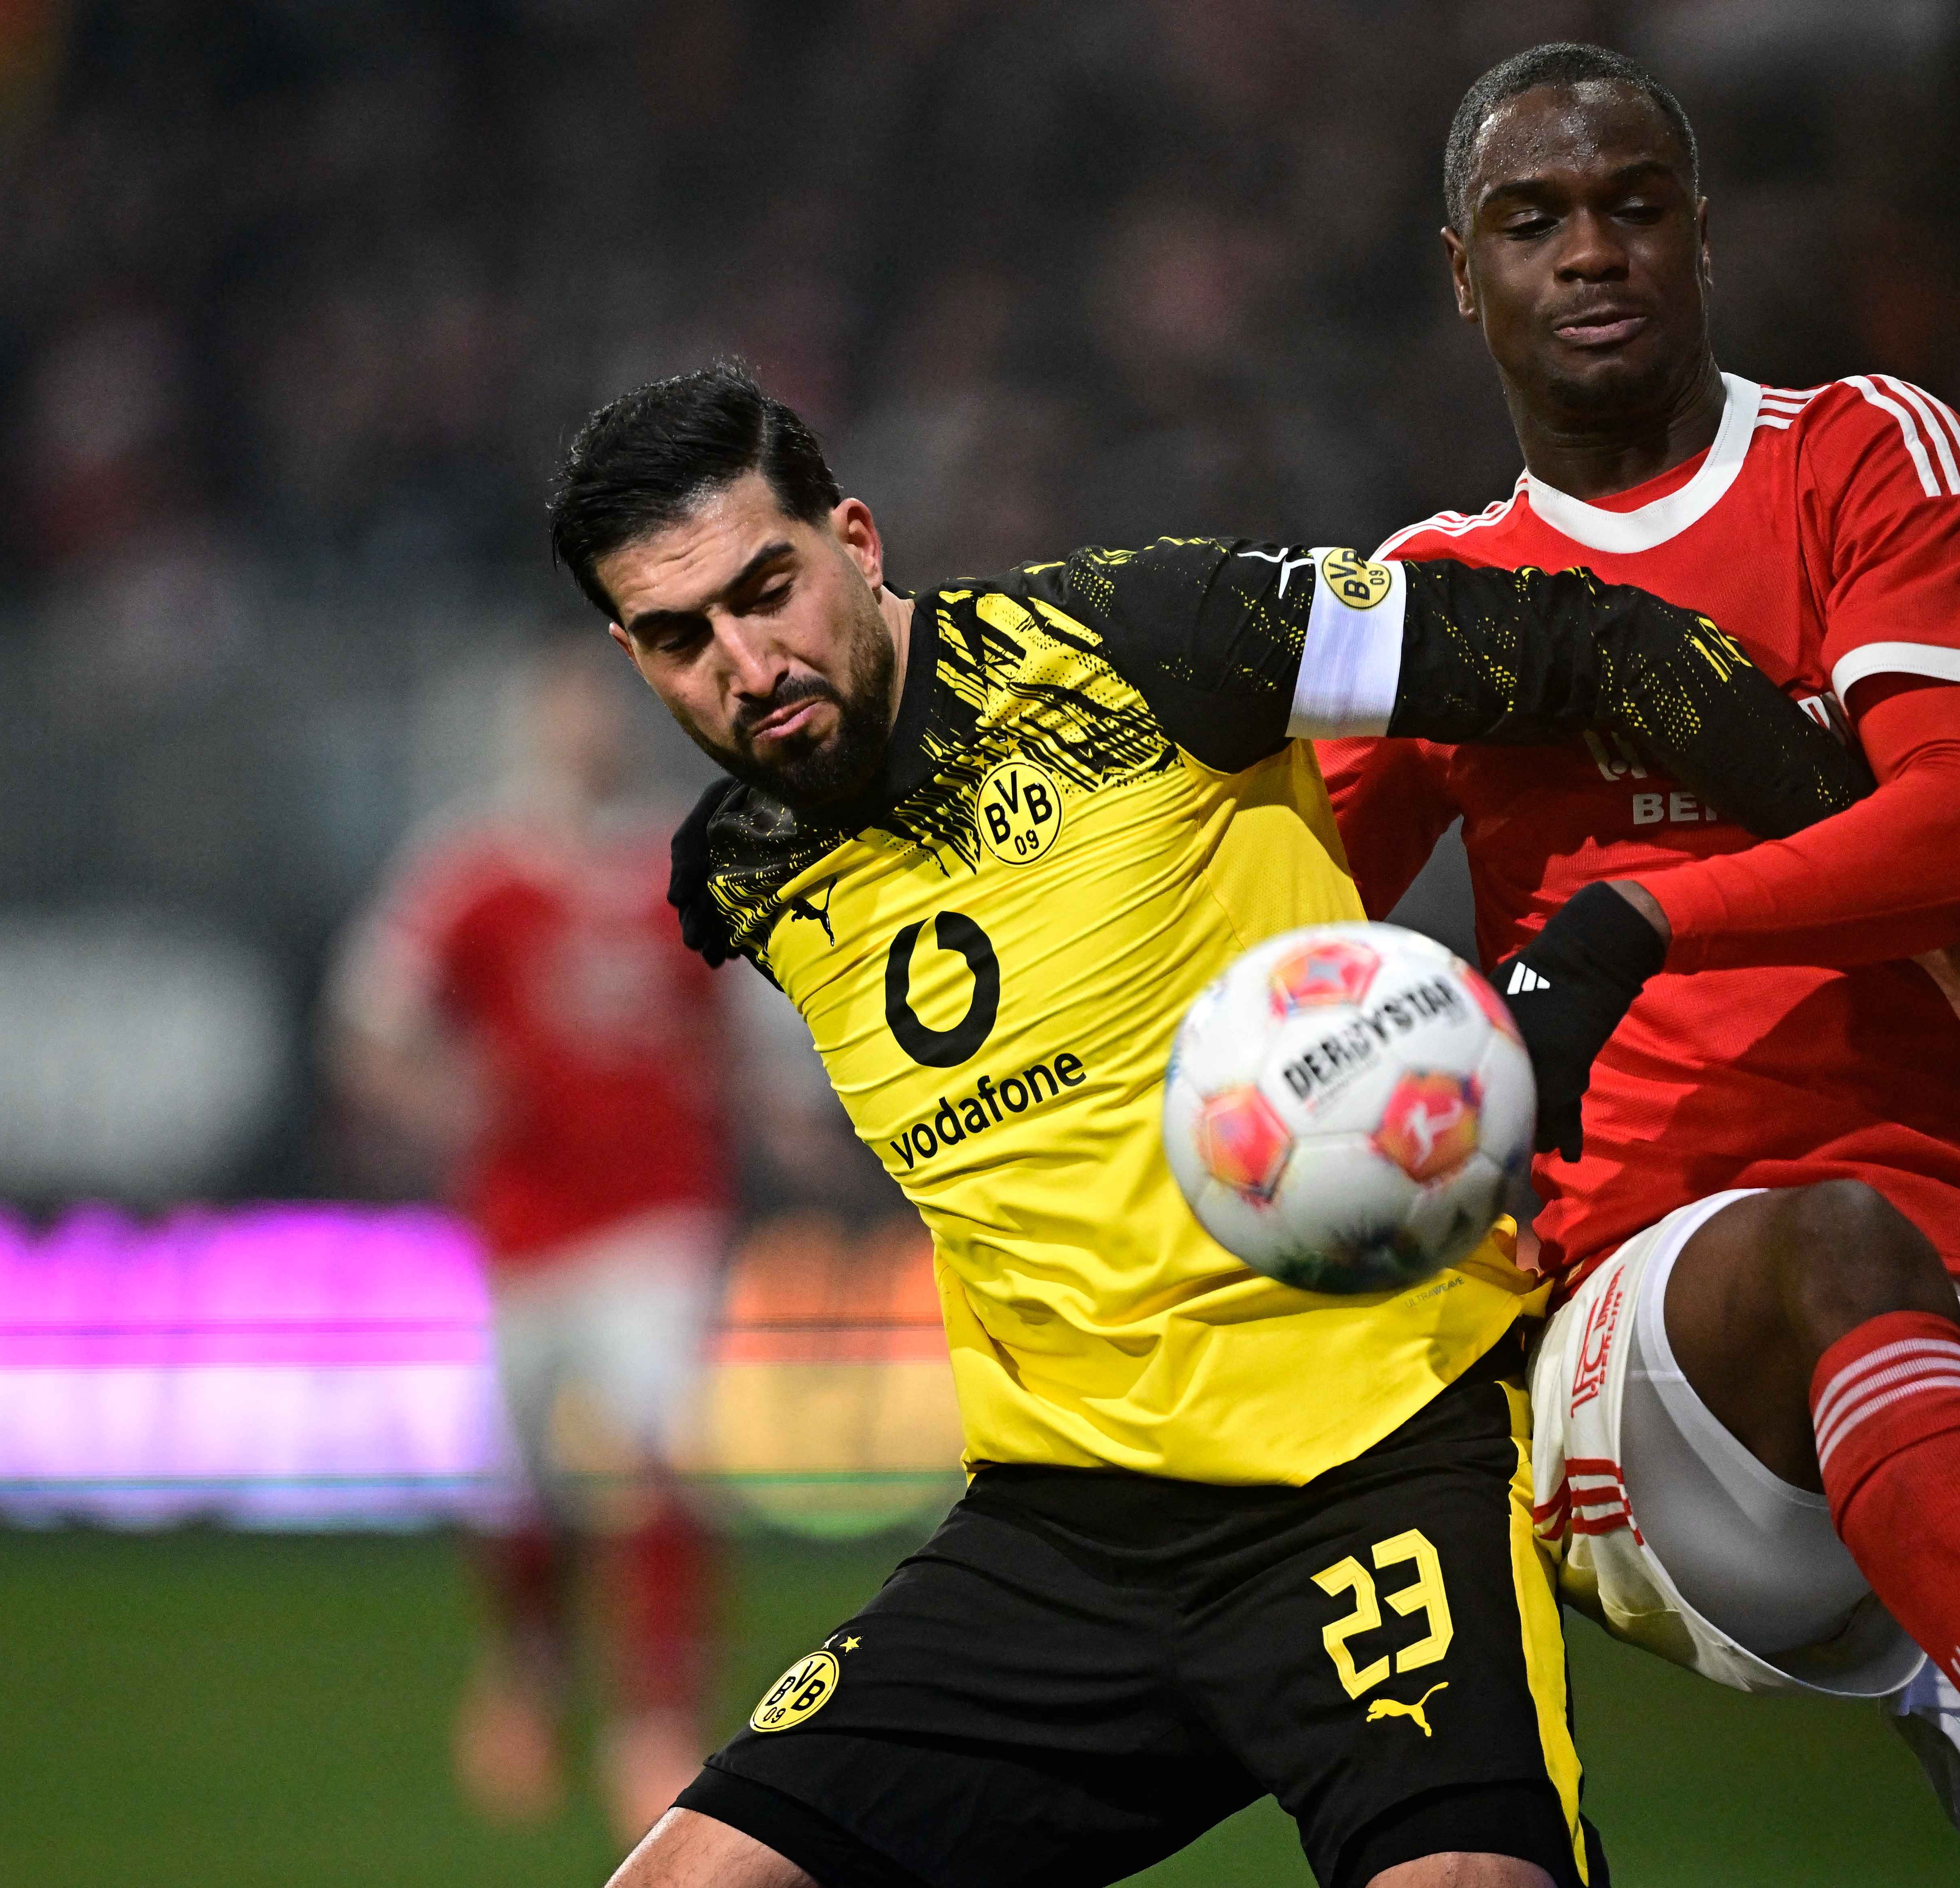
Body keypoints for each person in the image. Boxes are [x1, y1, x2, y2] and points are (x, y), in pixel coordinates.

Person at [560, 359, 1870, 1888]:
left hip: (1372, 1469)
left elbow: (1583, 647)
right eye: (678, 637)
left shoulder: (1148, 636)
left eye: (765, 589)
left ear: (854, 539)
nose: (744, 659)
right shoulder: (739, 876)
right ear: (631, 656)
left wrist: (1919, 885)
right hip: (1058, 1540)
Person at [1317, 44, 1960, 1888]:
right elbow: (1282, 933)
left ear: (1703, 232)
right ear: (1463, 273)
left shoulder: (1864, 451)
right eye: (1533, 220)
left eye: (1634, 205)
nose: (1593, 252)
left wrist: (1639, 919)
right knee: (1828, 1237)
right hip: (1651, 1328)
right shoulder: (1436, 595)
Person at [327, 650, 733, 1843]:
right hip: (521, 1227)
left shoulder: (683, 859)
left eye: (603, 712)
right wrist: (436, 1101)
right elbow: (367, 1024)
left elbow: (750, 1025)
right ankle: (530, 1669)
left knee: (655, 1451)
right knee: (521, 1480)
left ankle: (655, 1717)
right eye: (566, 711)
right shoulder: (475, 869)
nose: (586, 733)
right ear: (532, 727)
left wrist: (768, 1112)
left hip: (660, 1215)